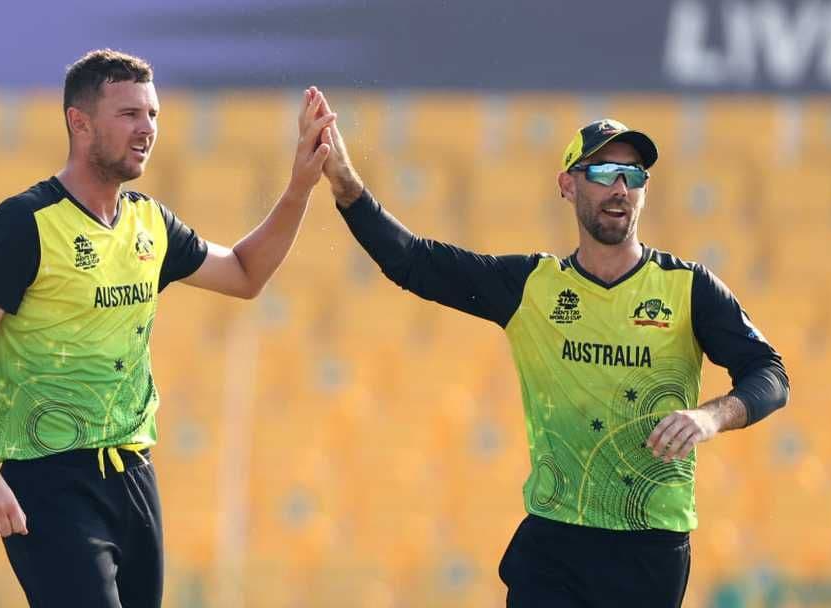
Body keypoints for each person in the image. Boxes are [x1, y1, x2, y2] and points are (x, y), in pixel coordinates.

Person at [313, 94, 789, 608]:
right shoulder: (532, 287)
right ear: (568, 184)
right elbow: (415, 263)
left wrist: (711, 417)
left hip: (649, 545)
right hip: (554, 541)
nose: (621, 188)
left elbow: (770, 374)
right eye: (604, 171)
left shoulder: (688, 288)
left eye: (634, 176)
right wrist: (345, 184)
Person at [0, 49, 334, 607]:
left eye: (154, 115)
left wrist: (298, 189)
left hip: (134, 474)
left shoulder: (150, 222)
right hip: (49, 481)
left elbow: (244, 274)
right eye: (129, 115)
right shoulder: (23, 225)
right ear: (80, 121)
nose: (147, 130)